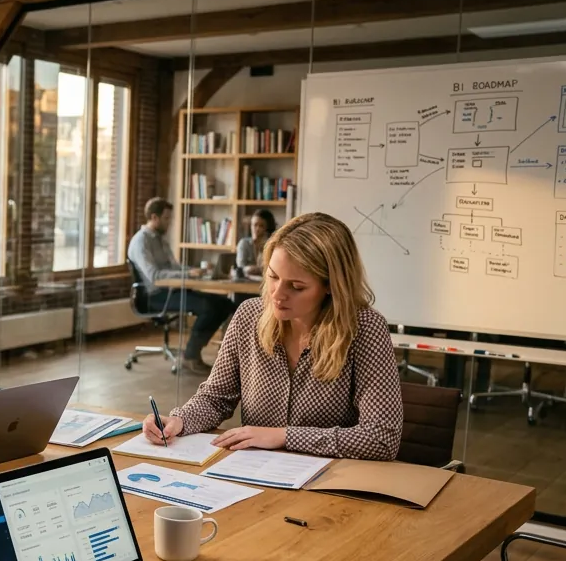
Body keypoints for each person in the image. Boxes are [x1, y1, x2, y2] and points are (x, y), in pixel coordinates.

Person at [140, 212, 402, 461]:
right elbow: (216, 398)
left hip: (331, 485)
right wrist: (180, 420)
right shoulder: (249, 316)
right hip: (255, 476)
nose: (277, 294)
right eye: (272, 277)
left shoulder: (365, 328)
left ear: (332, 286)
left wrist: (283, 437)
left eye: (296, 287)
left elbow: (382, 437)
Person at [127, 197, 235, 373]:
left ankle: (204, 354)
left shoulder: (161, 239)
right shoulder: (141, 242)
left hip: (172, 291)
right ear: (154, 217)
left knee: (224, 303)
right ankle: (190, 358)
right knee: (209, 307)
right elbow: (154, 276)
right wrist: (186, 274)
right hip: (154, 296)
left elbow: (174, 267)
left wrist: (196, 270)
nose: (169, 222)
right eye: (166, 218)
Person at [236, 209, 277, 277]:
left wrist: (264, 245)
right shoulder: (244, 243)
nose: (257, 229)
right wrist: (250, 269)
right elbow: (241, 268)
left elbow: (273, 269)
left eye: (261, 226)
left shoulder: (273, 246)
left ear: (268, 228)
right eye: (254, 225)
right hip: (246, 282)